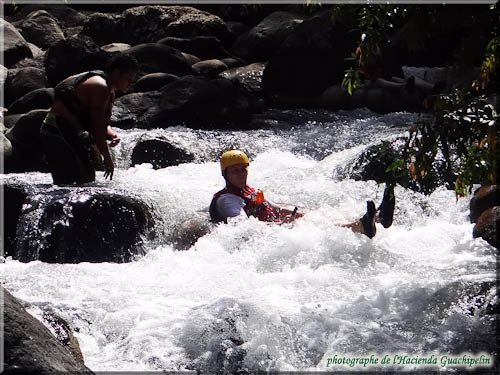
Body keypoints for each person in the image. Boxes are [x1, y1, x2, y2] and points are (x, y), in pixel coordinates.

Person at [209, 150, 395, 239]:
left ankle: (377, 219)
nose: (241, 174)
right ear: (225, 174)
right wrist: (282, 225)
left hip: (271, 229)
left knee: (315, 217)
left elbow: (271, 208)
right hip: (260, 238)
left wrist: (295, 215)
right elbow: (243, 229)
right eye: (235, 171)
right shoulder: (228, 200)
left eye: (243, 169)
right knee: (310, 227)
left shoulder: (249, 191)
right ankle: (362, 227)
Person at [40, 53, 139, 185]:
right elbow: (97, 126)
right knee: (80, 179)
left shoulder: (110, 92)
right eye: (129, 79)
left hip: (66, 130)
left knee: (83, 178)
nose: (131, 84)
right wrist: (107, 158)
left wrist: (110, 133)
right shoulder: (100, 87)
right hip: (56, 130)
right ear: (116, 73)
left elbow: (103, 123)